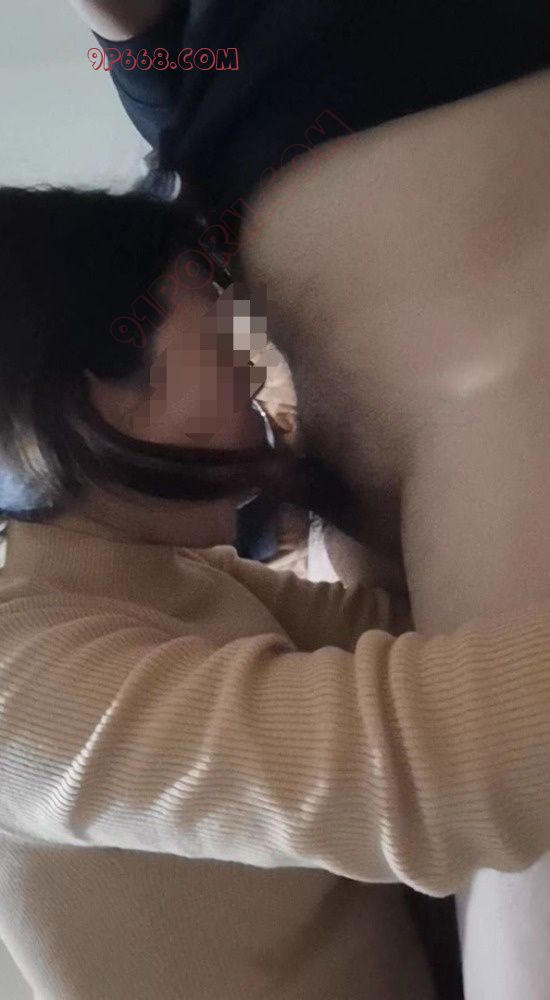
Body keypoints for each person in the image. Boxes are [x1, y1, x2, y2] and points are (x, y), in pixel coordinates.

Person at [3, 185, 550, 1000]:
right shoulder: (24, 689)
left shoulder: (180, 575)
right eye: (217, 334)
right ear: (101, 394)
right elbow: (434, 772)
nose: (253, 367)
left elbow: (419, 632)